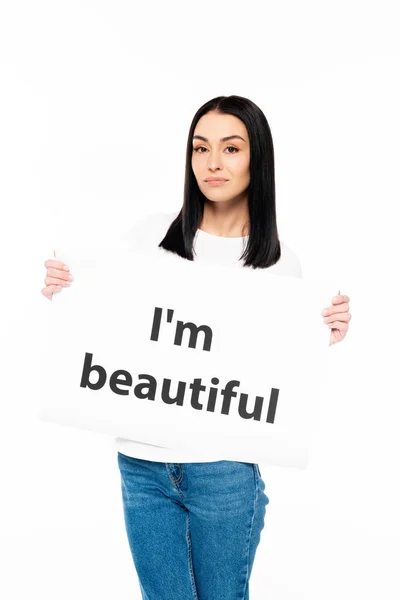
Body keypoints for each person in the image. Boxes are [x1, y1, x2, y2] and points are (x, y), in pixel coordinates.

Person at [41, 95, 351, 599]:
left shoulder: (280, 265)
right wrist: (69, 292)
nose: (212, 163)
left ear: (257, 158)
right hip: (142, 466)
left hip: (224, 470)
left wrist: (324, 335)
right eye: (200, 147)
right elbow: (115, 323)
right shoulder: (149, 235)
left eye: (231, 148)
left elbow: (272, 369)